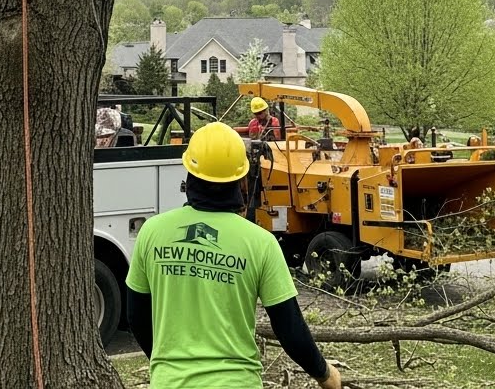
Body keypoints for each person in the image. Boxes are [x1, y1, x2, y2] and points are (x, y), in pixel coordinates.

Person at [126, 123, 341, 389]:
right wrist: (325, 374)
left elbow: (136, 315)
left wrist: (166, 367)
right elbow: (289, 327)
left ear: (189, 173)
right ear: (241, 179)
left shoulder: (152, 232)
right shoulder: (260, 242)